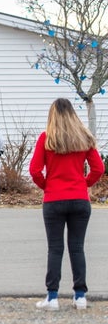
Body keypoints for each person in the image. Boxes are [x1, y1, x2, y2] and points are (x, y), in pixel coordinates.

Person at [29, 98, 104, 311]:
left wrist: (47, 186)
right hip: (79, 199)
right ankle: (80, 296)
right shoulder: (84, 138)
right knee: (77, 248)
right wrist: (84, 184)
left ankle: (52, 298)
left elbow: (35, 170)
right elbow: (98, 168)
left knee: (55, 248)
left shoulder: (46, 138)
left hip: (54, 199)